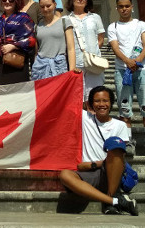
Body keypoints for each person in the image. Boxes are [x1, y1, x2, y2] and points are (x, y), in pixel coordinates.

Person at [59, 86, 139, 216]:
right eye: (97, 101)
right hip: (89, 174)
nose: (101, 104)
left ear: (111, 103)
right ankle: (114, 201)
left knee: (115, 146)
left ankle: (111, 197)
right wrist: (73, 73)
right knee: (65, 175)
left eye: (105, 101)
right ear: (91, 104)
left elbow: (118, 156)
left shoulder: (120, 125)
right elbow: (65, 102)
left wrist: (93, 164)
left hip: (110, 171)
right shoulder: (85, 118)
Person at [107, 0, 145, 158]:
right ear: (117, 8)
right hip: (122, 70)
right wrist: (127, 61)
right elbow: (115, 47)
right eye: (121, 7)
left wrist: (136, 61)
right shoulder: (112, 27)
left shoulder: (141, 24)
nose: (124, 9)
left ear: (132, 7)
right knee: (124, 108)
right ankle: (128, 141)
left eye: (127, 6)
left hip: (142, 69)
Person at [66, 0, 106, 104]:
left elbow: (101, 39)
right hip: (76, 64)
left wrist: (91, 55)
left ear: (87, 0)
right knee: (78, 101)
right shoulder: (66, 19)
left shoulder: (95, 18)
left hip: (94, 64)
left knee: (95, 100)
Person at [0, 0, 36, 84]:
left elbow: (31, 40)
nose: (7, 2)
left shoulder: (24, 18)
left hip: (17, 60)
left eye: (11, 0)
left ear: (16, 2)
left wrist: (13, 46)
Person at [31, 0, 77, 80]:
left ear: (55, 5)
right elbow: (36, 52)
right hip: (40, 67)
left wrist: (72, 70)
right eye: (42, 7)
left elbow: (71, 48)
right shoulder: (37, 26)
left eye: (48, 6)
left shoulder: (65, 22)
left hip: (59, 66)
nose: (45, 9)